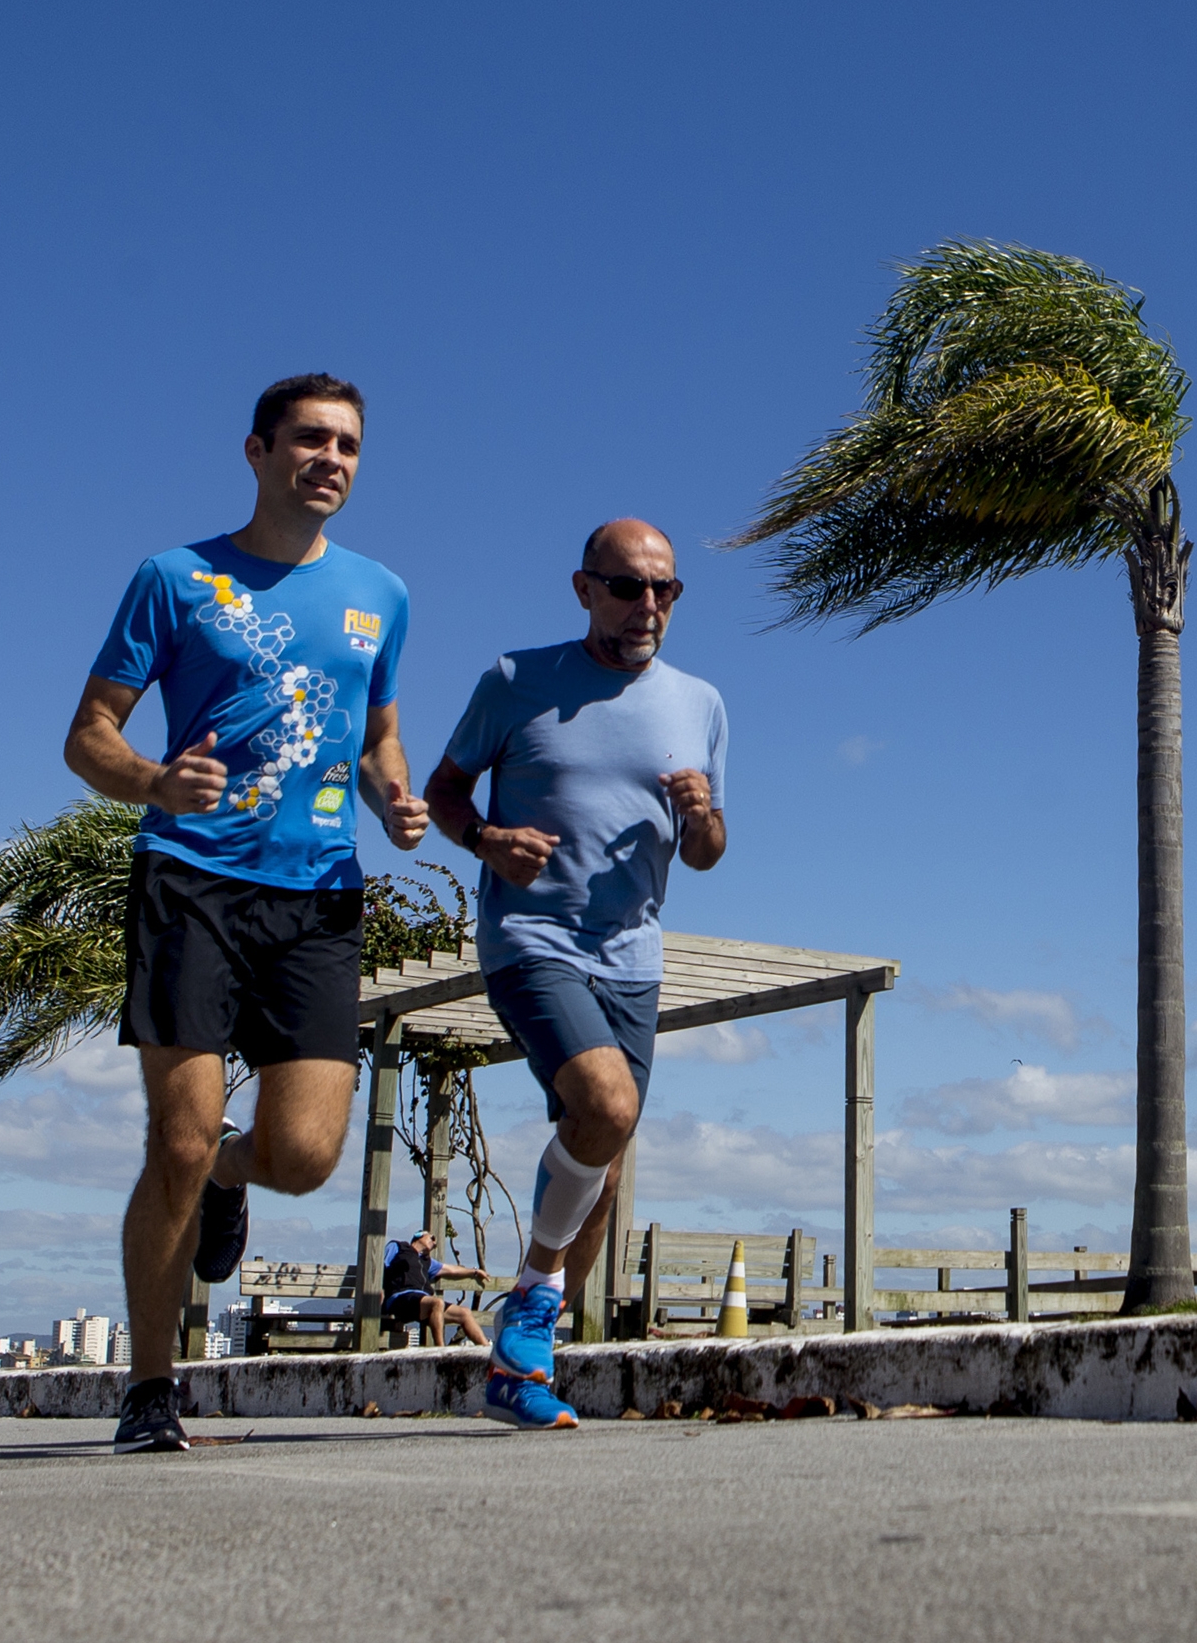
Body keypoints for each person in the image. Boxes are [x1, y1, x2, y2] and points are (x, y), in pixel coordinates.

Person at [66, 372, 429, 1452]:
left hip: (318, 898)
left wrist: (395, 798)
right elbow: (88, 734)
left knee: (307, 1153)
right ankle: (148, 1387)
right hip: (191, 880)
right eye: (311, 439)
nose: (332, 458)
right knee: (174, 1136)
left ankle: (234, 1172)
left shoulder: (382, 595)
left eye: (350, 445)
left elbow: (376, 739)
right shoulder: (176, 578)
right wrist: (152, 782)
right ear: (259, 450)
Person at [422, 518, 727, 1429]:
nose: (647, 607)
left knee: (604, 1157)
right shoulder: (516, 681)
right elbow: (444, 790)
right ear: (583, 588)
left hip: (633, 956)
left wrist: (704, 814)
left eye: (664, 590)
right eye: (628, 587)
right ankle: (533, 1305)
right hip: (531, 937)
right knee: (607, 1108)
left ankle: (524, 1368)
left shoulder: (701, 702)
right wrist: (485, 839)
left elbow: (708, 853)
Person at [381, 1229, 491, 1348]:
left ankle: (488, 1354)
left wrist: (474, 1271)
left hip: (422, 1301)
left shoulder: (427, 1261)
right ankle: (440, 1350)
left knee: (464, 1313)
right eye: (432, 1238)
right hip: (400, 1297)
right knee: (437, 1302)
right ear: (419, 1235)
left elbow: (451, 1270)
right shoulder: (398, 1247)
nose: (434, 1243)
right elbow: (379, 1266)